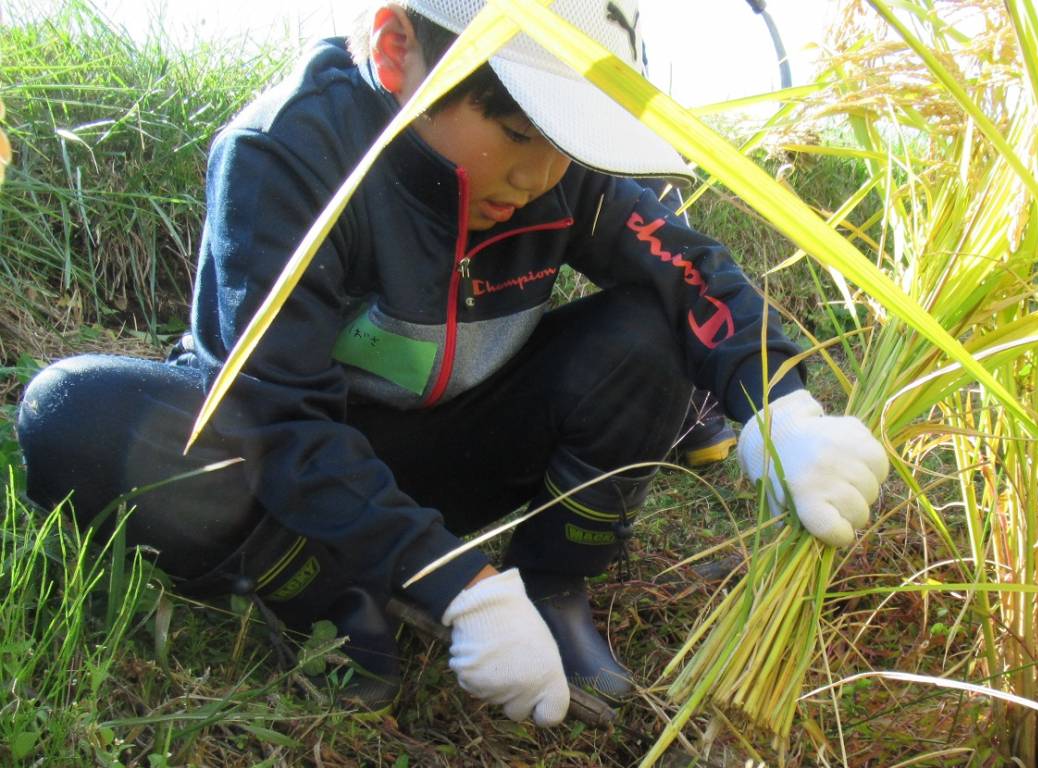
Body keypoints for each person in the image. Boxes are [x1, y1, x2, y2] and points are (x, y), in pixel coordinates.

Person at [16, 0, 888, 727]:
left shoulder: (559, 174)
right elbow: (275, 410)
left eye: (570, 146)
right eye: (517, 133)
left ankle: (552, 591)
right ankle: (325, 598)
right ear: (399, 51)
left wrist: (782, 407)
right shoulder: (290, 152)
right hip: (286, 475)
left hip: (449, 452)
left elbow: (690, 268)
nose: (544, 175)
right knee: (78, 414)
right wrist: (459, 586)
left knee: (646, 329)